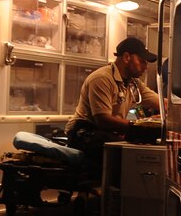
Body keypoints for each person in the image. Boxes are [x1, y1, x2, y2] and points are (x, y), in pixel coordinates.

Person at [65, 37, 160, 165]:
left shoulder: (134, 83)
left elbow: (161, 104)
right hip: (84, 133)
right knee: (129, 151)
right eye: (142, 61)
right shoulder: (102, 78)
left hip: (107, 132)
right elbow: (103, 119)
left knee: (147, 140)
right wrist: (137, 126)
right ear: (127, 57)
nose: (146, 67)